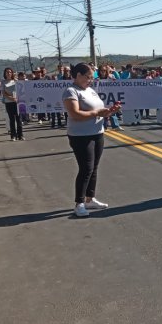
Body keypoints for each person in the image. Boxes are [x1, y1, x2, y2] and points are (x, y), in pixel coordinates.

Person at [61, 63, 121, 217]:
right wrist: (97, 113)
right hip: (80, 136)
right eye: (88, 77)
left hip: (97, 132)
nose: (90, 80)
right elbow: (75, 114)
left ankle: (90, 199)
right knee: (86, 168)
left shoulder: (90, 90)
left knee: (94, 167)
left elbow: (98, 111)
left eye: (92, 78)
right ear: (78, 75)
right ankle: (79, 203)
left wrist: (108, 112)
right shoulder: (71, 91)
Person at [0, 67, 23, 140]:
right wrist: (11, 98)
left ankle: (20, 135)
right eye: (7, 72)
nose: (9, 73)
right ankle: (13, 135)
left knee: (19, 119)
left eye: (10, 72)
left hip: (17, 103)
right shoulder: (3, 82)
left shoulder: (16, 81)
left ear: (12, 73)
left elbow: (21, 91)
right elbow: (3, 93)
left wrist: (17, 98)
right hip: (9, 103)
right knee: (12, 119)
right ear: (5, 73)